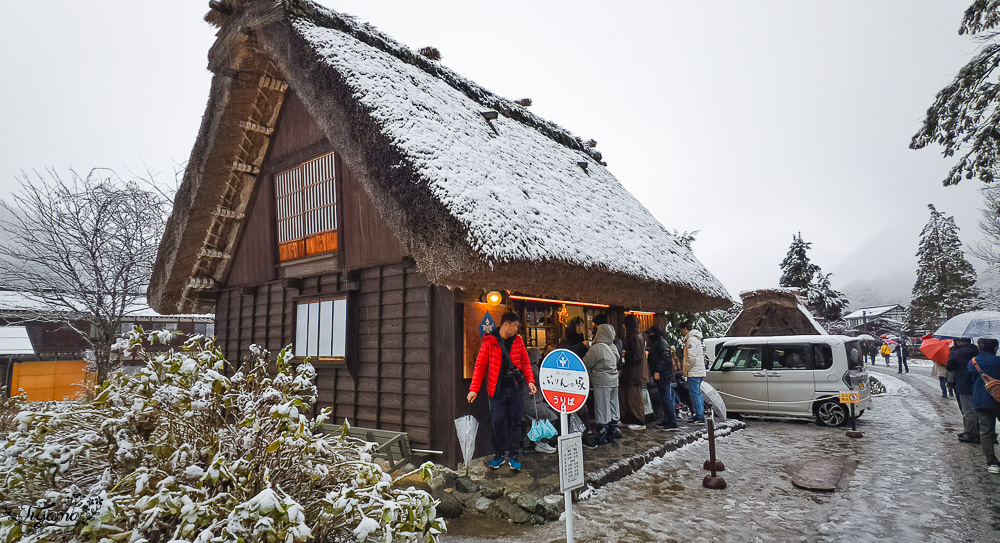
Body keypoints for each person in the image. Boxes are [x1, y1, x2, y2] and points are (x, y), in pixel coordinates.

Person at [468, 312, 537, 471]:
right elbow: (480, 366)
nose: (516, 330)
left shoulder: (518, 341)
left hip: (515, 388)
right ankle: (499, 455)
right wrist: (474, 390)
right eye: (515, 326)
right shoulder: (489, 342)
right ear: (506, 324)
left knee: (515, 422)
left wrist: (531, 381)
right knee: (497, 422)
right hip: (496, 390)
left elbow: (526, 363)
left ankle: (514, 456)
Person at [559, 317, 599, 449]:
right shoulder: (566, 339)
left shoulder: (580, 337)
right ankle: (575, 434)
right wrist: (581, 346)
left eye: (581, 326)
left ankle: (584, 432)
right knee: (574, 406)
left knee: (583, 404)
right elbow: (566, 353)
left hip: (580, 374)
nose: (580, 328)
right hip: (568, 376)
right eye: (578, 325)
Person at [582, 323, 620, 444]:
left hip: (602, 381)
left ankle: (602, 434)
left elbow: (586, 362)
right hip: (614, 380)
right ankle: (613, 433)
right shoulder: (613, 347)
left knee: (602, 407)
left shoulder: (597, 348)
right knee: (613, 405)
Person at [967, 338, 1000, 473]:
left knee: (985, 432)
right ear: (995, 348)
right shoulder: (999, 361)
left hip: (981, 401)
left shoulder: (973, 362)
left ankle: (992, 463)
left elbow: (969, 378)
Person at [524, 348, 558, 453]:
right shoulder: (534, 370)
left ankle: (541, 440)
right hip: (532, 404)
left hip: (530, 402)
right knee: (552, 417)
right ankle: (542, 442)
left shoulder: (527, 368)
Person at [619, 315, 649, 429]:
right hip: (631, 373)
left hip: (634, 373)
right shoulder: (634, 336)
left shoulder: (635, 337)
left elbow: (637, 355)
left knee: (634, 398)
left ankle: (639, 421)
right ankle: (629, 419)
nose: (623, 326)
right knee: (628, 397)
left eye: (625, 324)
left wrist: (625, 353)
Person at [947, 338, 980, 443]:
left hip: (963, 383)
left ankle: (971, 433)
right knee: (979, 409)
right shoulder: (977, 350)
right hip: (977, 383)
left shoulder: (956, 353)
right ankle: (981, 431)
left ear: (959, 341)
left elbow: (950, 367)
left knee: (968, 410)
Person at [647, 325, 679, 431]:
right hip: (662, 374)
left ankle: (672, 422)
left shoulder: (661, 343)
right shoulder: (658, 342)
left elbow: (665, 357)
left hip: (663, 375)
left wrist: (657, 370)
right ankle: (667, 420)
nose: (649, 336)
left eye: (651, 333)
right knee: (664, 398)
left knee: (666, 398)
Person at [681, 321, 706, 424]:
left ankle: (699, 415)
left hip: (694, 371)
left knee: (694, 394)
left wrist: (686, 368)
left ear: (685, 329)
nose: (681, 332)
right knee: (697, 393)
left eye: (681, 330)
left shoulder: (690, 340)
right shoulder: (696, 339)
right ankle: (699, 414)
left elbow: (691, 358)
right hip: (698, 370)